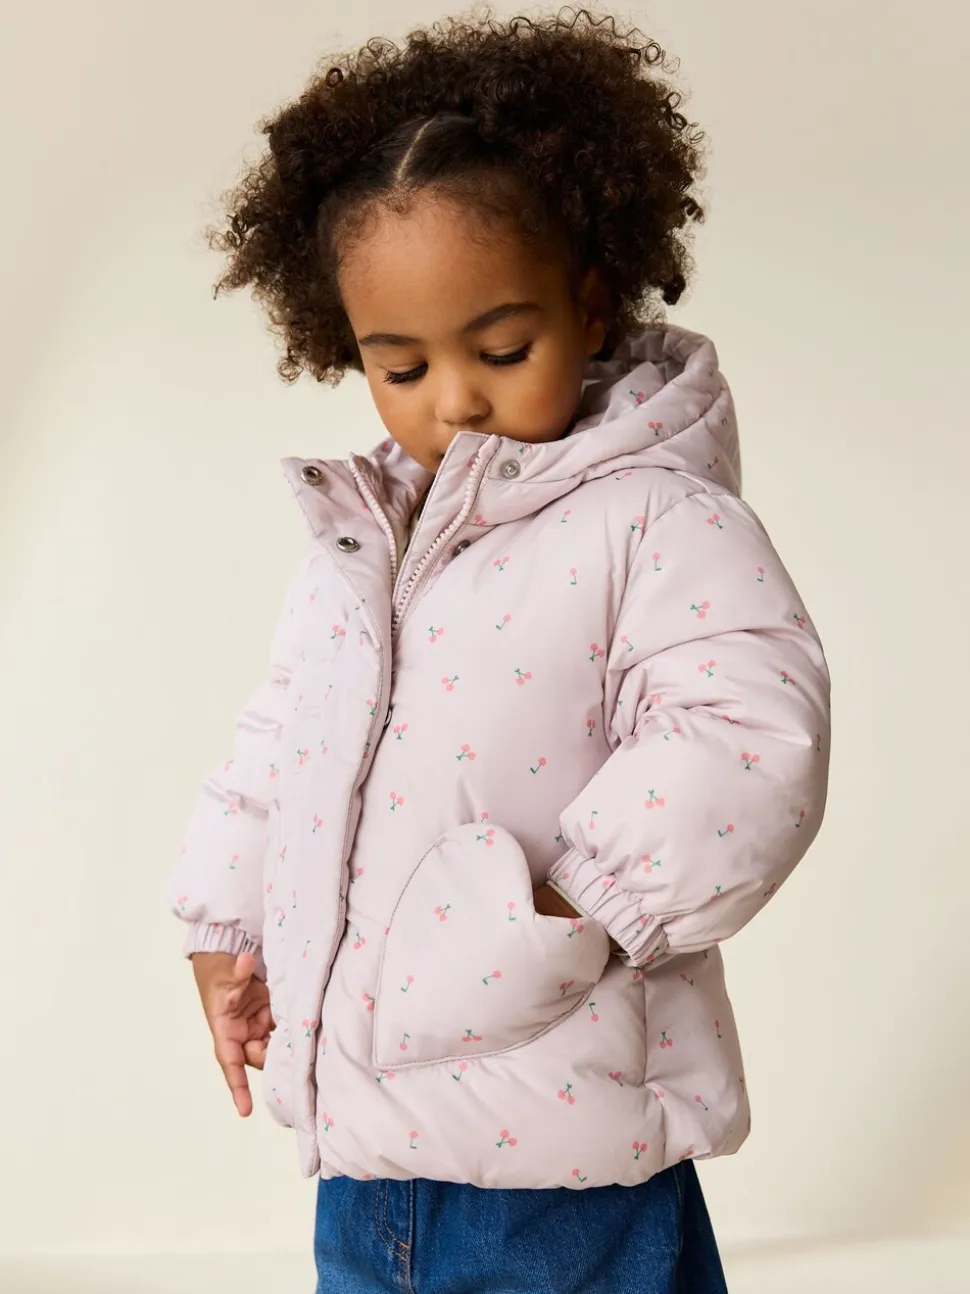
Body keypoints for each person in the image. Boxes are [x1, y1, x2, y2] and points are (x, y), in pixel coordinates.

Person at [165, 7, 831, 1291]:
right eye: (400, 366)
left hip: (567, 1159)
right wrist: (226, 924)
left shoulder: (656, 517)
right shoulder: (365, 542)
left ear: (590, 303)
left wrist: (560, 910)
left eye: (501, 348)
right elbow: (285, 735)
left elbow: (749, 737)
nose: (455, 398)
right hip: (367, 1163)